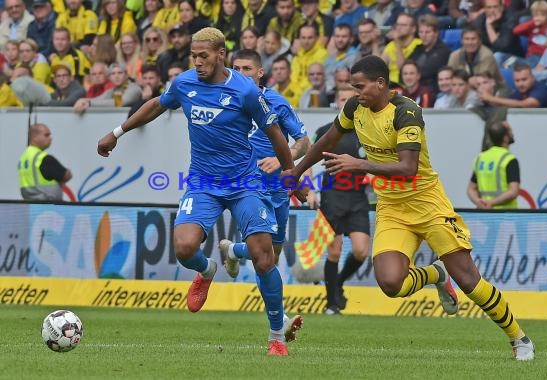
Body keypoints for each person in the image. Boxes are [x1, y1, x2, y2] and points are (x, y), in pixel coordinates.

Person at [283, 55, 535, 361]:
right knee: (391, 283)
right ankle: (435, 275)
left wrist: (359, 164)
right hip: (392, 208)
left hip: (428, 204)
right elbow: (329, 139)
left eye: (360, 86)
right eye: (352, 87)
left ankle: (519, 339)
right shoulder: (354, 109)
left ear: (381, 83)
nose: (355, 93)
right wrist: (295, 171)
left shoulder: (406, 112)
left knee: (469, 281)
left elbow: (408, 168)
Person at [97, 27, 304, 356]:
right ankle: (207, 269)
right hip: (203, 182)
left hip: (244, 182)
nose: (197, 62)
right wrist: (117, 132)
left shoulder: (245, 91)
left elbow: (276, 134)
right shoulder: (184, 83)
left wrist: (291, 174)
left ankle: (276, 335)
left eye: (203, 56)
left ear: (221, 54)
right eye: (194, 56)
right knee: (183, 247)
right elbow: (158, 104)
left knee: (265, 257)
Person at [217, 49, 309, 341]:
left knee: (271, 256)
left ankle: (232, 250)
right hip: (247, 188)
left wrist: (285, 160)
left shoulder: (276, 103)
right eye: (235, 67)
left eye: (246, 68)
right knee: (264, 256)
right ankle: (278, 320)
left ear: (259, 73)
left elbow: (304, 142)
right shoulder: (224, 100)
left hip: (277, 190)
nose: (240, 72)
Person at [315, 86, 370, 315]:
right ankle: (331, 304)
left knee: (361, 251)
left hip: (357, 197)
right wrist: (308, 190)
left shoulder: (367, 133)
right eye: (343, 99)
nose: (346, 103)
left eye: (351, 100)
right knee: (334, 251)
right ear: (337, 103)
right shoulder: (326, 132)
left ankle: (338, 282)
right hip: (332, 196)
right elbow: (307, 158)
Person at [467, 121, 519, 209]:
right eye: (510, 131)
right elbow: (513, 191)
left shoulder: (481, 158)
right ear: (505, 138)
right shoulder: (509, 159)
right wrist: (491, 203)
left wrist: (479, 202)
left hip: (485, 215)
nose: (512, 133)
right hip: (505, 216)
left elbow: (471, 189)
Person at [18, 123, 72, 201]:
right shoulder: (42, 158)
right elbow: (66, 175)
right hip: (47, 206)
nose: (50, 138)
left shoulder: (24, 157)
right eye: (46, 135)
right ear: (35, 137)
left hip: (30, 204)